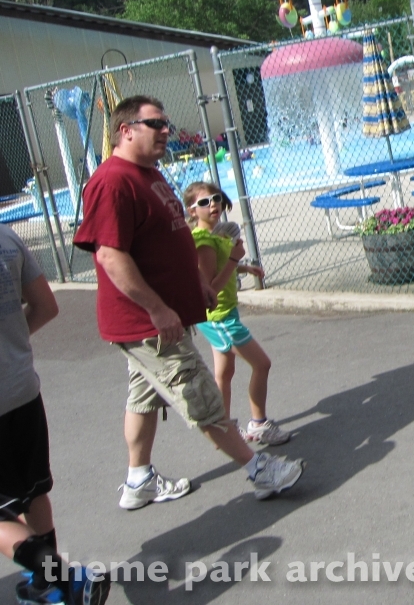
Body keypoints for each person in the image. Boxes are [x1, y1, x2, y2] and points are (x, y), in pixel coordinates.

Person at [72, 96, 304, 510]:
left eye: (166, 123)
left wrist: (196, 281)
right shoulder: (112, 181)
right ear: (126, 130)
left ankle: (138, 480)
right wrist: (158, 309)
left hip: (164, 318)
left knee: (143, 398)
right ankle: (259, 470)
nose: (166, 131)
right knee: (199, 394)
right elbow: (110, 256)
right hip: (149, 324)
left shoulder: (150, 175)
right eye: (155, 124)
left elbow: (173, 239)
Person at [0, 223, 109, 605]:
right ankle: (45, 585)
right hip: (21, 389)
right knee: (33, 491)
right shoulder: (7, 238)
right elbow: (47, 305)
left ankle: (63, 578)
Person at [182, 182, 290, 446]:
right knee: (262, 364)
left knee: (224, 372)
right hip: (219, 317)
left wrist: (242, 267)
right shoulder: (204, 241)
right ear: (192, 211)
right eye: (205, 202)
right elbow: (209, 291)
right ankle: (259, 424)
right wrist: (233, 259)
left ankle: (223, 428)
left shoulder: (216, 235)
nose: (214, 205)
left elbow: (220, 268)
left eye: (217, 199)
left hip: (224, 313)